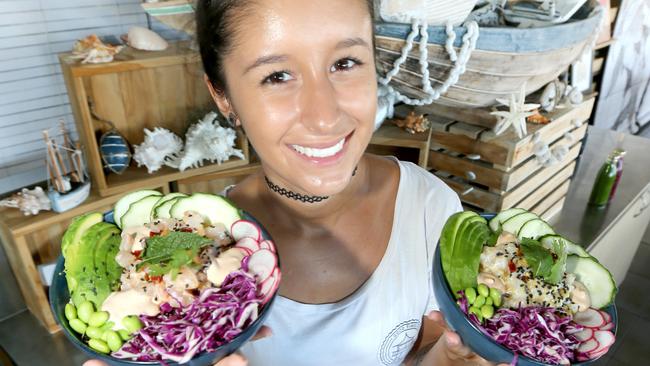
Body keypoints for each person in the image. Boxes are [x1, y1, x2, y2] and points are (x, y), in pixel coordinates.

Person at [86, 1, 507, 365]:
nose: (324, 116)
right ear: (223, 96)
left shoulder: (431, 208)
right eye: (277, 76)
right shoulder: (189, 265)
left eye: (345, 63)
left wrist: (457, 357)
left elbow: (423, 350)